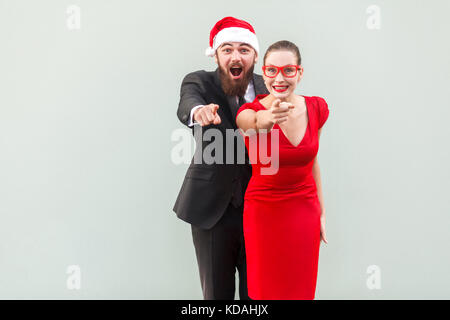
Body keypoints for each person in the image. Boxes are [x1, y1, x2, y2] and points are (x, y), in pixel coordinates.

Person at [172, 17, 269, 300]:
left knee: (259, 295)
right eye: (227, 49)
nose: (235, 56)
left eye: (243, 49)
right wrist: (198, 112)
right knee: (217, 295)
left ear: (254, 55)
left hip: (260, 209)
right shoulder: (199, 81)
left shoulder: (270, 89)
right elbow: (187, 104)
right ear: (216, 55)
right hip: (213, 211)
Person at [235, 40, 330, 300]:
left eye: (288, 70)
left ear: (299, 72)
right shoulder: (249, 111)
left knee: (300, 290)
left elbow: (313, 163)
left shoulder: (317, 108)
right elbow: (251, 124)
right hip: (264, 214)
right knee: (265, 291)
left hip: (305, 212)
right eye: (271, 70)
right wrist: (266, 119)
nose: (280, 78)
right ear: (263, 73)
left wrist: (321, 213)